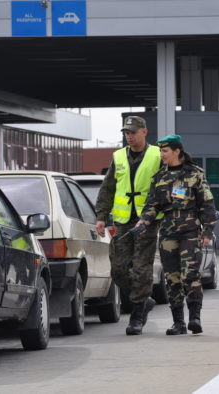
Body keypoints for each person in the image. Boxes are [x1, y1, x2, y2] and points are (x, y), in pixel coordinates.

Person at [136, 134, 217, 335]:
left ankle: (195, 318)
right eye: (161, 151)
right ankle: (178, 322)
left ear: (176, 151)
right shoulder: (160, 177)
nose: (162, 155)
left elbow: (207, 203)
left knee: (190, 274)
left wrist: (207, 230)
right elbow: (151, 206)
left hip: (190, 231)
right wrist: (143, 221)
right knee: (172, 278)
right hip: (168, 233)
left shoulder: (195, 173)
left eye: (165, 151)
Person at [94, 115, 162, 335]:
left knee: (142, 268)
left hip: (147, 221)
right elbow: (108, 188)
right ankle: (144, 299)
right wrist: (102, 216)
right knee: (118, 269)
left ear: (144, 132)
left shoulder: (156, 155)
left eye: (133, 132)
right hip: (123, 222)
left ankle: (137, 315)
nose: (129, 136)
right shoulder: (119, 157)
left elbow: (163, 187)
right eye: (126, 133)